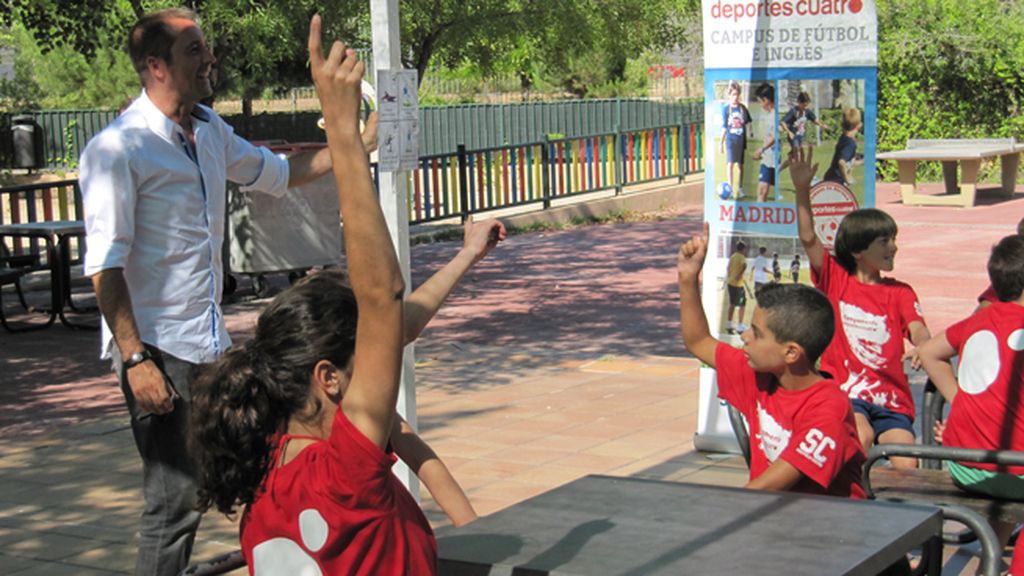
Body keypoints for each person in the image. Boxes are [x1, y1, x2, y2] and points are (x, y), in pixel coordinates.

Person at [190, 18, 505, 573]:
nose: (388, 350)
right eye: (373, 351)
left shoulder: (267, 466)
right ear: (328, 378)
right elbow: (382, 299)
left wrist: (465, 256)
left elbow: (394, 321)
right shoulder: (343, 475)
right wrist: (343, 131)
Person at [78, 8, 376, 574]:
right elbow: (106, 266)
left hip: (210, 347)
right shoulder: (119, 150)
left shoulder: (209, 131)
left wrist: (351, 142)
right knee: (175, 505)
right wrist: (136, 358)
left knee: (264, 457)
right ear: (156, 67)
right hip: (158, 350)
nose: (210, 59)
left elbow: (280, 174)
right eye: (194, 50)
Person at [678, 224, 865, 498]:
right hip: (771, 515)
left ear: (791, 353)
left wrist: (716, 515)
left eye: (756, 332)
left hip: (831, 530)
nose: (745, 336)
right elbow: (698, 342)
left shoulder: (829, 409)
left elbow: (771, 485)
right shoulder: (760, 372)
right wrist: (687, 278)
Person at [792, 148, 930, 469]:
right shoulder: (836, 280)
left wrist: (923, 345)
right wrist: (801, 191)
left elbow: (919, 330)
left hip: (892, 401)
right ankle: (857, 505)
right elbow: (809, 236)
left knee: (907, 462)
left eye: (893, 239)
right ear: (857, 250)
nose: (892, 247)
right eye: (883, 241)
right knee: (861, 435)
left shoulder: (900, 292)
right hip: (847, 394)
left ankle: (897, 514)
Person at [918, 234, 1024, 574]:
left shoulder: (979, 319)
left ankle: (987, 568)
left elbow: (928, 351)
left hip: (964, 466)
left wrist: (962, 401)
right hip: (1011, 470)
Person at [779, 91, 829, 172]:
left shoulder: (807, 112)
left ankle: (778, 170)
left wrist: (822, 125)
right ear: (799, 102)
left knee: (793, 158)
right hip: (793, 137)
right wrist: (789, 132)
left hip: (799, 138)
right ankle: (803, 172)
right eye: (804, 105)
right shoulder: (794, 111)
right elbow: (783, 122)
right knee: (798, 153)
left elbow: (814, 120)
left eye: (807, 104)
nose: (805, 107)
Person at [719, 81, 752, 200]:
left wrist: (750, 132)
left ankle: (740, 187)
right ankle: (730, 188)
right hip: (731, 140)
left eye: (737, 94)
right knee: (730, 164)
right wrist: (721, 143)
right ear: (729, 95)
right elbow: (724, 127)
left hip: (740, 140)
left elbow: (748, 122)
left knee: (740, 165)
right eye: (733, 94)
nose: (735, 97)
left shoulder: (742, 108)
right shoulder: (726, 110)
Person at [823, 108, 862, 187]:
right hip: (835, 182)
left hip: (831, 178)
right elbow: (841, 162)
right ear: (859, 126)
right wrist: (847, 179)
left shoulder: (844, 138)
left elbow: (850, 162)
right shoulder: (850, 144)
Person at [751, 83, 777, 202]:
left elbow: (775, 137)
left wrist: (761, 149)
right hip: (767, 159)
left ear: (766, 100)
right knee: (762, 190)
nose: (760, 105)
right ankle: (758, 219)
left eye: (760, 101)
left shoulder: (775, 116)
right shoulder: (768, 116)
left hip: (775, 159)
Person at [727, 240, 749, 334]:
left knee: (732, 303)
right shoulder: (742, 257)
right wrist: (739, 275)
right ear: (743, 249)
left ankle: (729, 323)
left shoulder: (733, 256)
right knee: (742, 304)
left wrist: (730, 275)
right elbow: (744, 266)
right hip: (738, 284)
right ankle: (740, 325)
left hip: (730, 282)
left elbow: (727, 268)